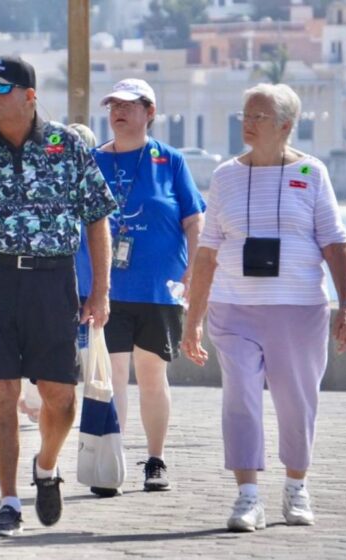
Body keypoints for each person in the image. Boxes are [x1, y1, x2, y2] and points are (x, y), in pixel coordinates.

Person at [0, 55, 116, 536]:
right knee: (1, 393)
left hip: (51, 281)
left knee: (61, 398)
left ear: (29, 95)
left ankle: (46, 465)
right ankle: (9, 501)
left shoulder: (67, 145)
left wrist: (100, 290)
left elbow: (97, 216)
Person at [181, 83, 346, 532]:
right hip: (233, 306)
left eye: (259, 116)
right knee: (239, 395)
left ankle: (296, 486)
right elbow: (206, 252)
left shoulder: (311, 173)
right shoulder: (225, 176)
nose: (248, 123)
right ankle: (247, 496)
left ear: (285, 126)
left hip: (298, 309)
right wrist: (192, 320)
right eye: (246, 114)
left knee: (296, 404)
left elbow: (336, 244)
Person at [86, 78, 206, 493]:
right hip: (106, 290)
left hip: (159, 288)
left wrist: (194, 269)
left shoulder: (169, 160)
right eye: (113, 105)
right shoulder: (92, 161)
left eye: (129, 105)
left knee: (152, 376)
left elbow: (194, 219)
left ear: (149, 112)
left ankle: (155, 460)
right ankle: (111, 460)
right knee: (113, 374)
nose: (118, 112)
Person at [19, 122, 100, 425]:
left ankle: (74, 410)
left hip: (82, 286)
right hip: (61, 285)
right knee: (52, 352)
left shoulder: (89, 185)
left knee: (82, 355)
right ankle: (42, 405)